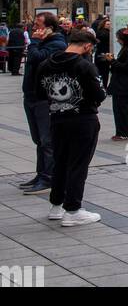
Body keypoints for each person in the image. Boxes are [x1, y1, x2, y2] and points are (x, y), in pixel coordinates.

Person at [35, 25, 106, 226]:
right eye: (90, 47)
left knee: (60, 162)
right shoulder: (84, 66)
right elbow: (99, 94)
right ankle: (73, 210)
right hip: (83, 119)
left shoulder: (46, 65)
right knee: (78, 165)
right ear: (86, 46)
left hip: (57, 119)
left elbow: (40, 94)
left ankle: (56, 205)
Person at [20, 12, 68, 195]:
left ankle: (49, 177)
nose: (34, 28)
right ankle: (41, 174)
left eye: (38, 25)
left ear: (50, 27)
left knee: (47, 140)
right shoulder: (44, 42)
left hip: (44, 98)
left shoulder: (57, 44)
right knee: (38, 139)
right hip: (31, 95)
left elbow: (35, 58)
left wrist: (34, 42)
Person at [107, 28, 128, 139]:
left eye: (118, 38)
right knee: (118, 109)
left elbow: (125, 67)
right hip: (120, 83)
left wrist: (112, 61)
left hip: (123, 85)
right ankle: (121, 132)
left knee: (121, 109)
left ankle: (123, 132)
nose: (117, 40)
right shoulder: (126, 49)